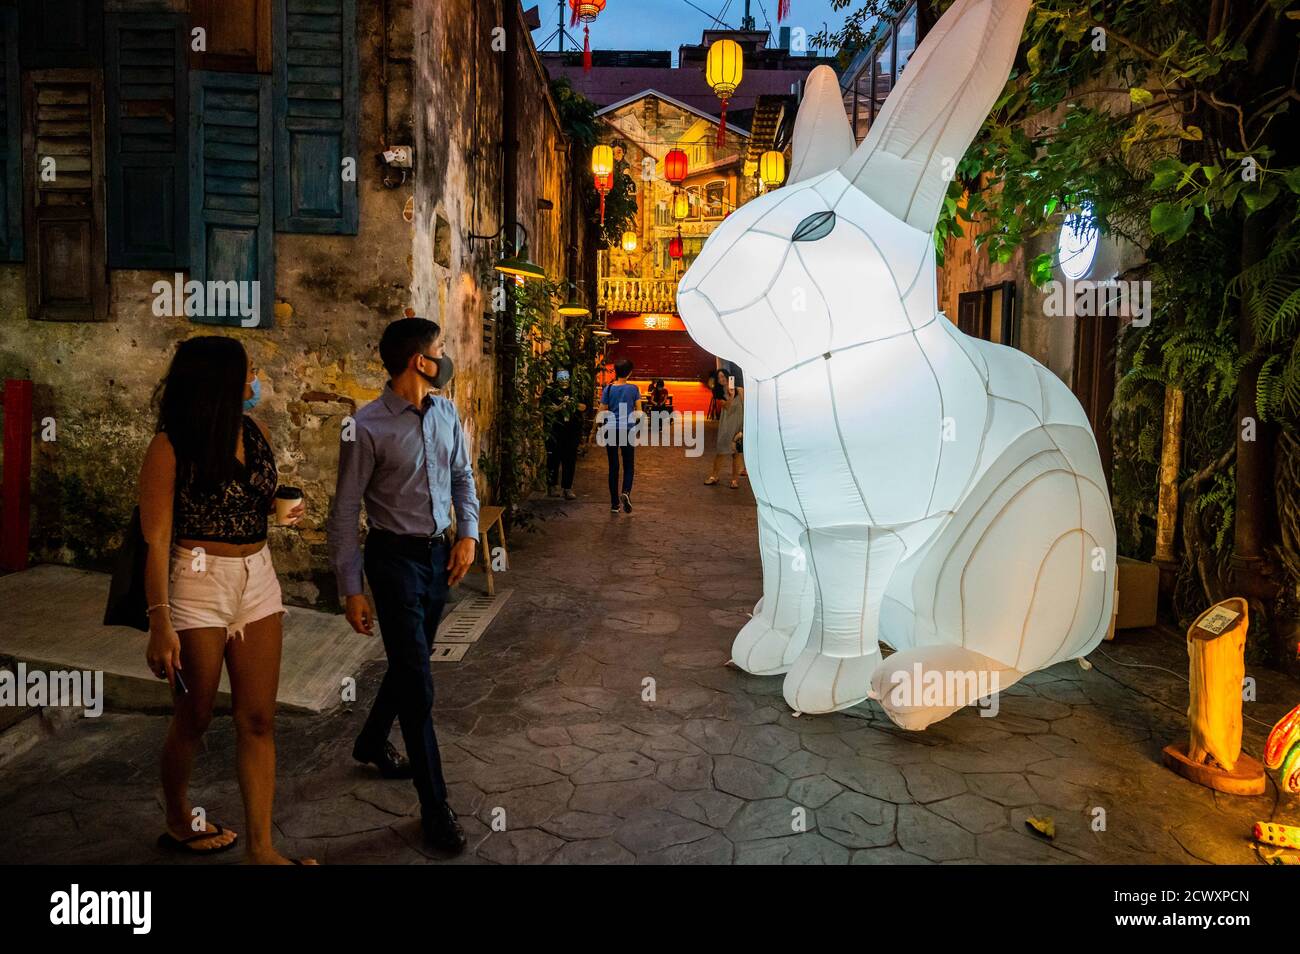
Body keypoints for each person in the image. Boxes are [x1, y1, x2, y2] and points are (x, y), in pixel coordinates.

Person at [140, 336, 311, 865]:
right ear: (219, 381)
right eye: (248, 371)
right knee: (194, 712)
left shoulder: (254, 430)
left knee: (257, 718)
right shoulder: (170, 446)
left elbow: (255, 502)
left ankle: (261, 850)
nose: (254, 379)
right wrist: (160, 622)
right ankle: (177, 817)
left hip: (256, 575)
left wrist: (280, 516)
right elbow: (156, 540)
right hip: (197, 581)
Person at [327, 317, 479, 855]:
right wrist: (352, 587)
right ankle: (435, 807)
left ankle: (371, 740)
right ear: (421, 360)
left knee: (409, 661)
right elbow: (345, 511)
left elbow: (463, 476)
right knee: (419, 684)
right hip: (392, 561)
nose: (445, 357)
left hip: (440, 558)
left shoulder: (446, 411)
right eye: (440, 349)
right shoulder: (365, 427)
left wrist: (468, 533)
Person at [600, 358, 640, 514]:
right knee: (628, 465)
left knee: (613, 466)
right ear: (629, 372)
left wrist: (592, 430)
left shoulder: (608, 389)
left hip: (611, 429)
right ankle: (626, 492)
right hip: (627, 430)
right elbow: (638, 412)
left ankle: (614, 504)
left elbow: (602, 410)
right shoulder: (633, 389)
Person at [544, 369, 585, 500]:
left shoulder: (575, 391)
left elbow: (584, 406)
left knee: (570, 459)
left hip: (572, 431)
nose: (563, 379)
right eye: (561, 376)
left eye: (566, 376)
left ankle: (567, 487)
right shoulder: (550, 390)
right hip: (555, 430)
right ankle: (552, 486)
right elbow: (545, 407)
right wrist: (559, 407)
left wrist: (572, 404)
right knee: (553, 458)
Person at [706, 364, 745, 489]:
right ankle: (714, 476)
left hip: (739, 424)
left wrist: (745, 427)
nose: (721, 379)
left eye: (723, 376)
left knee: (737, 453)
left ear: (728, 377)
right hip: (726, 425)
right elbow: (727, 407)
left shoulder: (740, 390)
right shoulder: (718, 393)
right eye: (719, 378)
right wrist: (731, 396)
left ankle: (734, 480)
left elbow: (746, 407)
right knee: (721, 451)